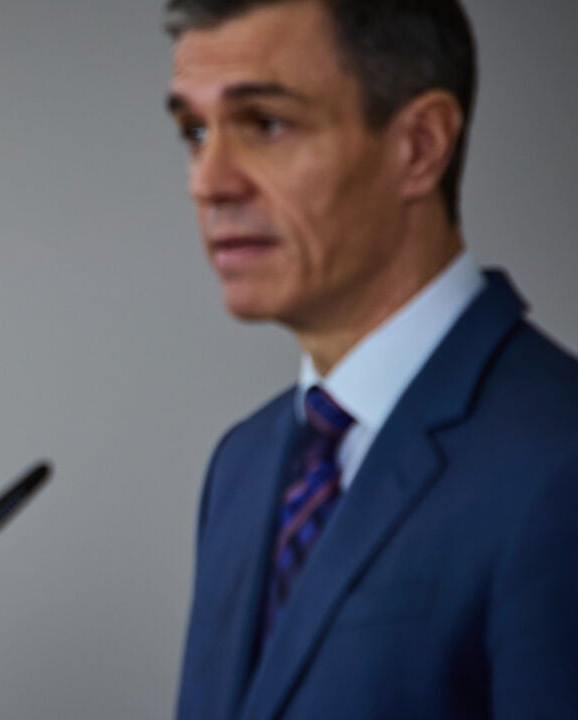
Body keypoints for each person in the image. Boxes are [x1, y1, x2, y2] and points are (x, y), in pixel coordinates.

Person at [164, 1, 578, 718]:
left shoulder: (559, 461)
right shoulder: (241, 464)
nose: (210, 181)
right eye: (195, 132)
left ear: (420, 145)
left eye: (266, 124)